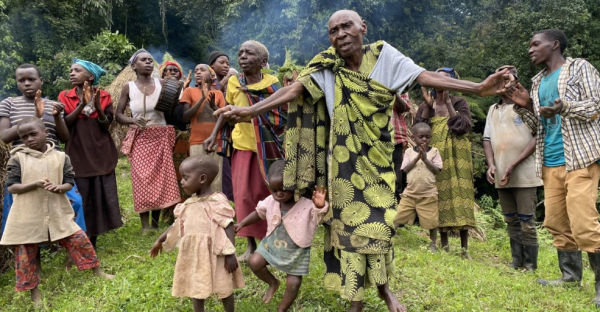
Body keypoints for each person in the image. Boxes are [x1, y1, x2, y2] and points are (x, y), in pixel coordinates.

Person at [215, 10, 506, 312]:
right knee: (348, 233)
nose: (339, 34)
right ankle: (355, 298)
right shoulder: (327, 66)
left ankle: (384, 290)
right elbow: (293, 90)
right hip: (341, 165)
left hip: (379, 161)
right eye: (333, 30)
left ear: (362, 28)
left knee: (380, 226)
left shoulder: (385, 57)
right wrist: (251, 112)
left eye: (346, 26)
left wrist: (479, 88)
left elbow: (424, 76)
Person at [505, 29, 600, 306]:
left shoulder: (579, 67)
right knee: (556, 222)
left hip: (580, 157)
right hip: (550, 161)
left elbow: (596, 105)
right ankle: (570, 276)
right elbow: (540, 127)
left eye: (536, 44)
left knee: (584, 222)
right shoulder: (537, 82)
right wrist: (525, 106)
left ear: (554, 44)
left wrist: (564, 107)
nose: (530, 50)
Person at [0, 117, 114, 307]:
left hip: (57, 212)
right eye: (24, 137)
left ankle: (97, 271)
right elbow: (12, 187)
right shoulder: (17, 158)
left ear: (45, 132)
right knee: (25, 256)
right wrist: (35, 185)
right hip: (27, 215)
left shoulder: (61, 157)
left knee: (80, 239)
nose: (29, 139)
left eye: (33, 134)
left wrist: (60, 188)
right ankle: (34, 294)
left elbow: (69, 181)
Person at [149, 155, 244, 312]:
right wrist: (160, 240)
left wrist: (230, 253)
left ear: (202, 178)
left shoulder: (217, 202)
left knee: (224, 284)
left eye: (185, 178)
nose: (182, 182)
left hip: (216, 252)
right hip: (194, 254)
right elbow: (177, 225)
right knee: (195, 286)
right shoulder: (188, 204)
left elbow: (228, 226)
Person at [221, 41, 287, 262]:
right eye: (240, 53)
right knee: (244, 196)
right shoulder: (232, 82)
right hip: (243, 147)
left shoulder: (273, 83)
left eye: (250, 53)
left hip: (268, 147)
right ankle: (250, 245)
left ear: (263, 61)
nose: (243, 56)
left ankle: (272, 242)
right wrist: (216, 136)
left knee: (269, 195)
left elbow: (279, 115)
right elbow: (228, 112)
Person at [234, 160, 329, 312]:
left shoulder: (306, 204)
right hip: (272, 242)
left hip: (296, 250)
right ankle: (273, 283)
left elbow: (319, 218)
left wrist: (319, 206)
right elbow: (259, 213)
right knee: (255, 261)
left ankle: (282, 309)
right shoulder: (271, 201)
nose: (278, 193)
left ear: (295, 185)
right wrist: (241, 224)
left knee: (293, 283)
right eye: (274, 189)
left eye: (284, 189)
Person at [483, 65, 542, 271]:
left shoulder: (526, 106)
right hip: (501, 173)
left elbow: (539, 135)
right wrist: (491, 165)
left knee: (527, 220)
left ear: (517, 81)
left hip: (525, 173)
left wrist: (514, 164)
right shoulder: (493, 109)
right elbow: (487, 140)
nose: (505, 82)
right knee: (511, 220)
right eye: (501, 78)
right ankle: (516, 261)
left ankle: (531, 265)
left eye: (509, 77)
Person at [60, 59, 123, 248]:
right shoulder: (65, 96)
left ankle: (93, 240)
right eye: (71, 70)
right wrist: (81, 104)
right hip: (77, 151)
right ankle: (79, 239)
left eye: (77, 70)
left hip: (100, 151)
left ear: (90, 76)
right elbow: (65, 125)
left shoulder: (104, 96)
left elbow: (106, 126)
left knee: (98, 195)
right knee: (82, 195)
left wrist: (97, 107)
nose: (72, 73)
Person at [116, 49, 181, 233]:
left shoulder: (163, 83)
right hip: (140, 138)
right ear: (134, 66)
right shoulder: (128, 87)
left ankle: (154, 223)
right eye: (143, 60)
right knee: (141, 180)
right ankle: (145, 225)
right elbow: (119, 115)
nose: (148, 63)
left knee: (160, 179)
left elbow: (171, 111)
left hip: (160, 136)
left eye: (150, 60)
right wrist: (133, 120)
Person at [416, 68, 476, 259]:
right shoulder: (426, 106)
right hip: (436, 158)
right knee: (438, 196)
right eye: (437, 78)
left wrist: (449, 102)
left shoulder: (460, 103)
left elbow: (463, 127)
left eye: (446, 79)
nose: (440, 81)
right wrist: (427, 106)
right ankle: (443, 245)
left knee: (462, 196)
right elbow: (418, 129)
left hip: (458, 157)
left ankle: (464, 249)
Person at [393, 123, 442, 251]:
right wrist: (417, 158)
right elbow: (405, 169)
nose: (424, 139)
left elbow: (437, 170)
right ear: (413, 138)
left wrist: (425, 159)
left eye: (427, 137)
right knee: (399, 216)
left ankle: (433, 243)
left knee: (432, 220)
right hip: (410, 193)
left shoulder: (435, 152)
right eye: (421, 137)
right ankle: (389, 237)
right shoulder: (409, 152)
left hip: (428, 193)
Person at [181, 64, 227, 192]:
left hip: (215, 142)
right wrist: (202, 98)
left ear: (211, 75)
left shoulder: (218, 94)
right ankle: (198, 207)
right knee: (196, 176)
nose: (198, 73)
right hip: (196, 142)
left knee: (216, 177)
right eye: (196, 71)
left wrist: (214, 107)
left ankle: (215, 208)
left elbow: (223, 119)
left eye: (202, 70)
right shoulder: (189, 91)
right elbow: (185, 117)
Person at [207, 51, 234, 201]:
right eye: (222, 62)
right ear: (212, 66)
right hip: (211, 134)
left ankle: (230, 201)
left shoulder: (234, 83)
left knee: (229, 170)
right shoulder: (208, 86)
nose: (226, 66)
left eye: (228, 64)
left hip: (230, 133)